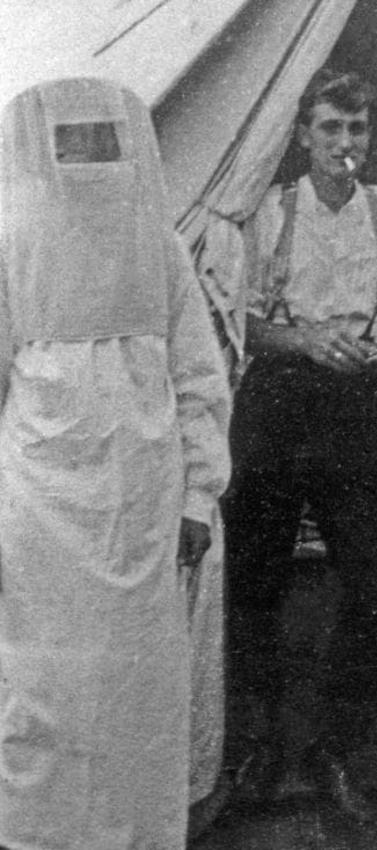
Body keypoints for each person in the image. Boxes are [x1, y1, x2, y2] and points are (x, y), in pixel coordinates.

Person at [0, 77, 231, 849]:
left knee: (137, 701)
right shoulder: (8, 242)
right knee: (44, 698)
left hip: (144, 516)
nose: (90, 159)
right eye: (74, 142)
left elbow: (200, 382)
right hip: (41, 523)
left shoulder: (158, 247)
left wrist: (198, 497)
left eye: (105, 140)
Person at [224, 68, 377, 822]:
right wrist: (305, 340)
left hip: (355, 407)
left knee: (372, 580)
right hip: (278, 400)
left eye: (357, 130)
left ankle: (336, 747)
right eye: (330, 128)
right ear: (303, 134)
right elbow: (240, 323)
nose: (344, 144)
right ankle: (263, 741)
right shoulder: (271, 211)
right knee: (256, 578)